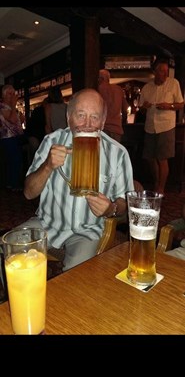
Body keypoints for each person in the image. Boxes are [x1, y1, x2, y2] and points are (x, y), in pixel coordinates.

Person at [23, 88, 134, 272]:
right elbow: (28, 193)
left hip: (88, 231)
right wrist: (48, 166)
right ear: (68, 117)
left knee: (77, 276)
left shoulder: (117, 153)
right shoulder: (51, 142)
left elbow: (125, 205)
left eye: (95, 117)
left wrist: (111, 208)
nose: (88, 125)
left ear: (103, 121)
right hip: (47, 224)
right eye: (81, 115)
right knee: (8, 249)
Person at [139, 58, 184, 194]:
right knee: (150, 158)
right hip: (150, 126)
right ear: (154, 72)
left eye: (166, 71)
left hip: (166, 126)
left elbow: (181, 104)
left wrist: (168, 106)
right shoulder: (147, 87)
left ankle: (161, 188)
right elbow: (140, 109)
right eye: (161, 71)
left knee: (162, 158)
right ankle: (157, 181)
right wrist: (144, 107)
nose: (164, 74)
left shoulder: (173, 83)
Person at [0, 84, 25, 191]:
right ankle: (12, 184)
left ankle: (13, 183)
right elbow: (13, 120)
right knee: (14, 160)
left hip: (16, 137)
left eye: (13, 94)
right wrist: (14, 105)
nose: (13, 96)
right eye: (10, 94)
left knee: (16, 160)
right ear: (4, 95)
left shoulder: (10, 107)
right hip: (7, 138)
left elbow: (21, 120)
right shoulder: (2, 106)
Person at [98, 69, 128, 143]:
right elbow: (125, 109)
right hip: (116, 129)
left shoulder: (98, 90)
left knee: (102, 153)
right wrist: (123, 122)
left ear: (101, 78)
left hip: (103, 129)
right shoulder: (118, 89)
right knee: (115, 153)